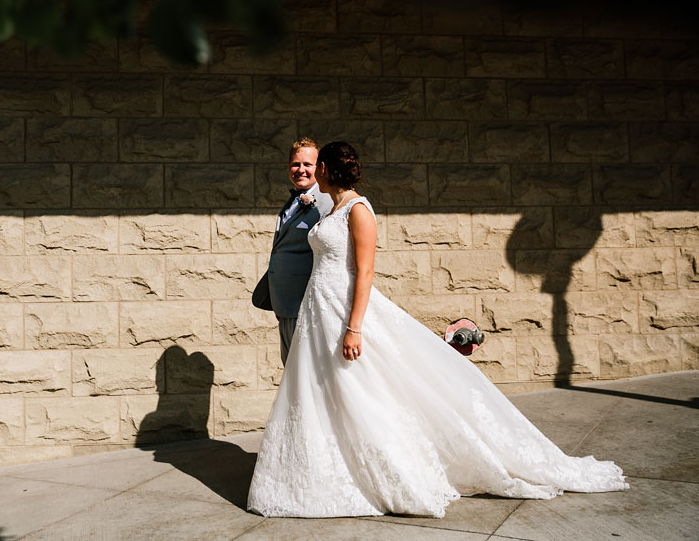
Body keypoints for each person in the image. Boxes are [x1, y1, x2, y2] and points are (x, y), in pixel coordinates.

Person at [247, 141, 628, 518]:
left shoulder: (358, 210)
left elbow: (364, 272)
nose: (313, 172)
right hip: (318, 311)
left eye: (318, 166)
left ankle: (385, 469)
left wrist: (355, 328)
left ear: (327, 168)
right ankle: (327, 465)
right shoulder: (333, 208)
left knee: (362, 390)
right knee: (324, 393)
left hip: (342, 311)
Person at [252, 138, 333, 365]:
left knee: (305, 372)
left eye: (308, 164)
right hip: (285, 305)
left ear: (320, 167)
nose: (301, 170)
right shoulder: (292, 201)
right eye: (296, 164)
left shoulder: (326, 202)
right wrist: (278, 300)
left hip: (307, 304)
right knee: (291, 371)